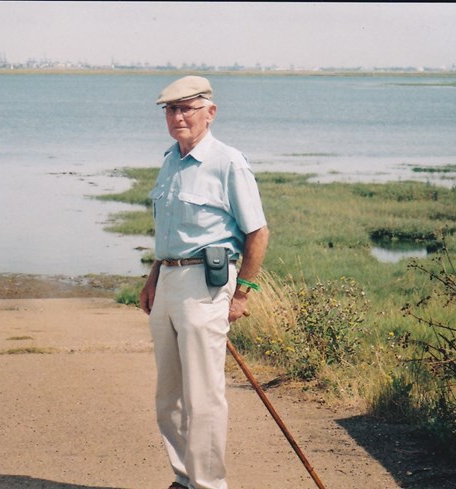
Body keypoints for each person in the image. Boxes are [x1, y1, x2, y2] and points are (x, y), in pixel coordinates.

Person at [140, 75, 269, 489]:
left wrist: (244, 293)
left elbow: (257, 233)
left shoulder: (228, 162)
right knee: (169, 398)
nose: (178, 117)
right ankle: (184, 478)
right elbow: (169, 233)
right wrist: (152, 279)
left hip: (207, 285)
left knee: (204, 397)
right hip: (168, 283)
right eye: (170, 110)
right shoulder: (170, 160)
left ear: (210, 113)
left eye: (186, 108)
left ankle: (209, 485)